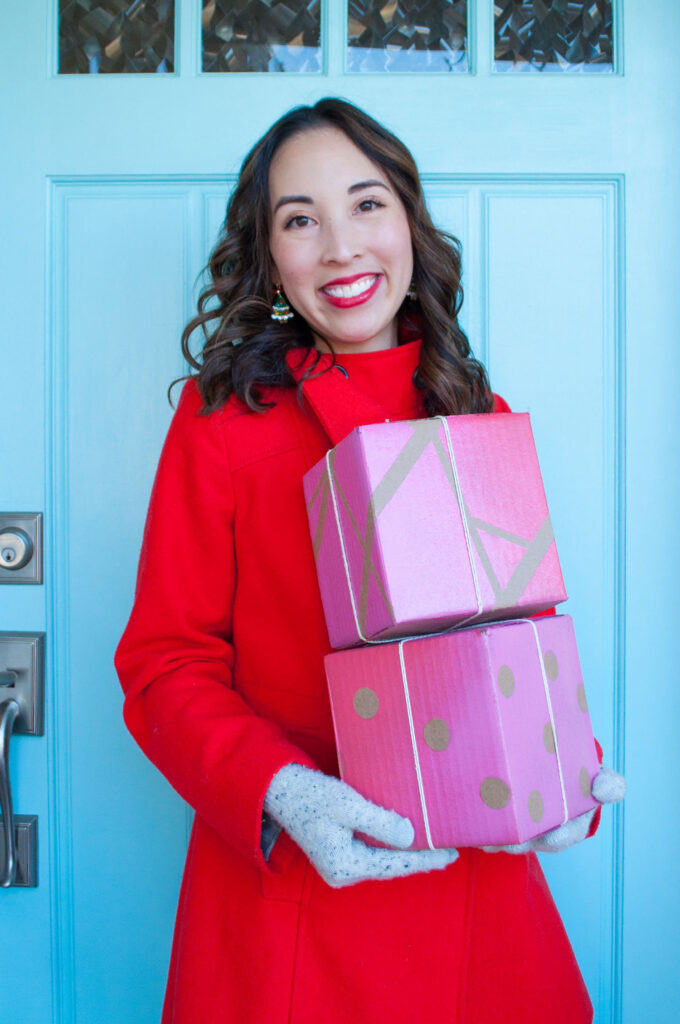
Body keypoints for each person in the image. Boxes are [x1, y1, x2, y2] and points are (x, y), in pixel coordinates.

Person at [114, 97, 624, 1023]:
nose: (341, 246)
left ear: (408, 224)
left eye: (366, 204)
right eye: (300, 221)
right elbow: (162, 667)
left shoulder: (481, 412)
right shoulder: (223, 425)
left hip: (477, 903)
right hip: (295, 917)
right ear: (272, 263)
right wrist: (284, 791)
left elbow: (519, 646)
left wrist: (567, 770)